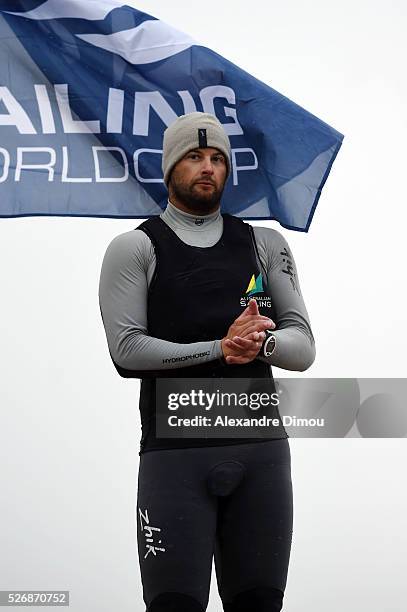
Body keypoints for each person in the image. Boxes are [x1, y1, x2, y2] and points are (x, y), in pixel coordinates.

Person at [99, 112, 315, 612]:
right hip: (174, 460)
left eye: (218, 159)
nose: (208, 168)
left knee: (261, 603)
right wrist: (221, 347)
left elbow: (302, 345)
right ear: (170, 167)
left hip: (260, 453)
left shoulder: (264, 244)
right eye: (195, 157)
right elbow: (126, 351)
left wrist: (259, 346)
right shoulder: (135, 247)